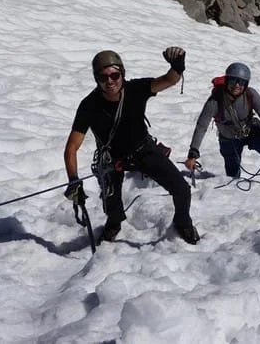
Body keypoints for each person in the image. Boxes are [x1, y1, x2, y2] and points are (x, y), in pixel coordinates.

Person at [63, 47, 200, 244]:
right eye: (103, 77)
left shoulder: (136, 90)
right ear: (97, 80)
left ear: (122, 74)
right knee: (112, 204)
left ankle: (183, 222)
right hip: (112, 157)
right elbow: (72, 147)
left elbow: (169, 80)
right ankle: (114, 222)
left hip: (142, 150)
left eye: (115, 75)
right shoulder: (89, 106)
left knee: (181, 189)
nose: (110, 81)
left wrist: (177, 65)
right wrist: (73, 179)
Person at [184, 62, 260, 188]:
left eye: (241, 82)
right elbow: (201, 126)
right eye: (233, 80)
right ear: (227, 80)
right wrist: (193, 153)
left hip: (250, 132)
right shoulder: (215, 101)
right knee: (233, 176)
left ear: (246, 84)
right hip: (228, 139)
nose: (237, 85)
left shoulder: (250, 95)